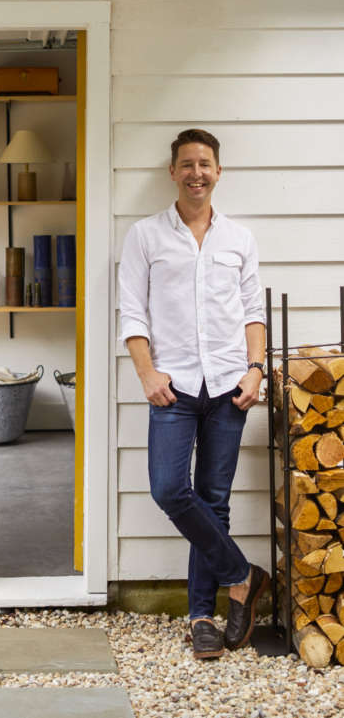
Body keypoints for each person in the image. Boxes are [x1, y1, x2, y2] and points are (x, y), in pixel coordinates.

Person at [118, 128, 269, 659]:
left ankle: (202, 614)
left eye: (205, 164)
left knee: (214, 501)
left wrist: (255, 371)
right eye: (187, 164)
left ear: (218, 172)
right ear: (173, 172)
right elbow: (132, 313)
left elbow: (254, 312)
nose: (196, 173)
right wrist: (147, 374)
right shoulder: (144, 235)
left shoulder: (239, 240)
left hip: (230, 385)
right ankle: (241, 576)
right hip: (173, 387)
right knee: (168, 489)